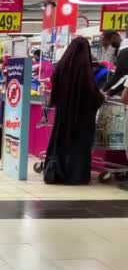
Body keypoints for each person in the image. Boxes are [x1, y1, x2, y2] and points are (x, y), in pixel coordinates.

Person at [44, 37, 104, 185]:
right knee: (79, 146)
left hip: (63, 114)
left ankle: (57, 173)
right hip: (82, 116)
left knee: (61, 142)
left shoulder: (61, 66)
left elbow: (54, 90)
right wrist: (101, 97)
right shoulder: (85, 69)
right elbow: (92, 94)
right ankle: (76, 176)